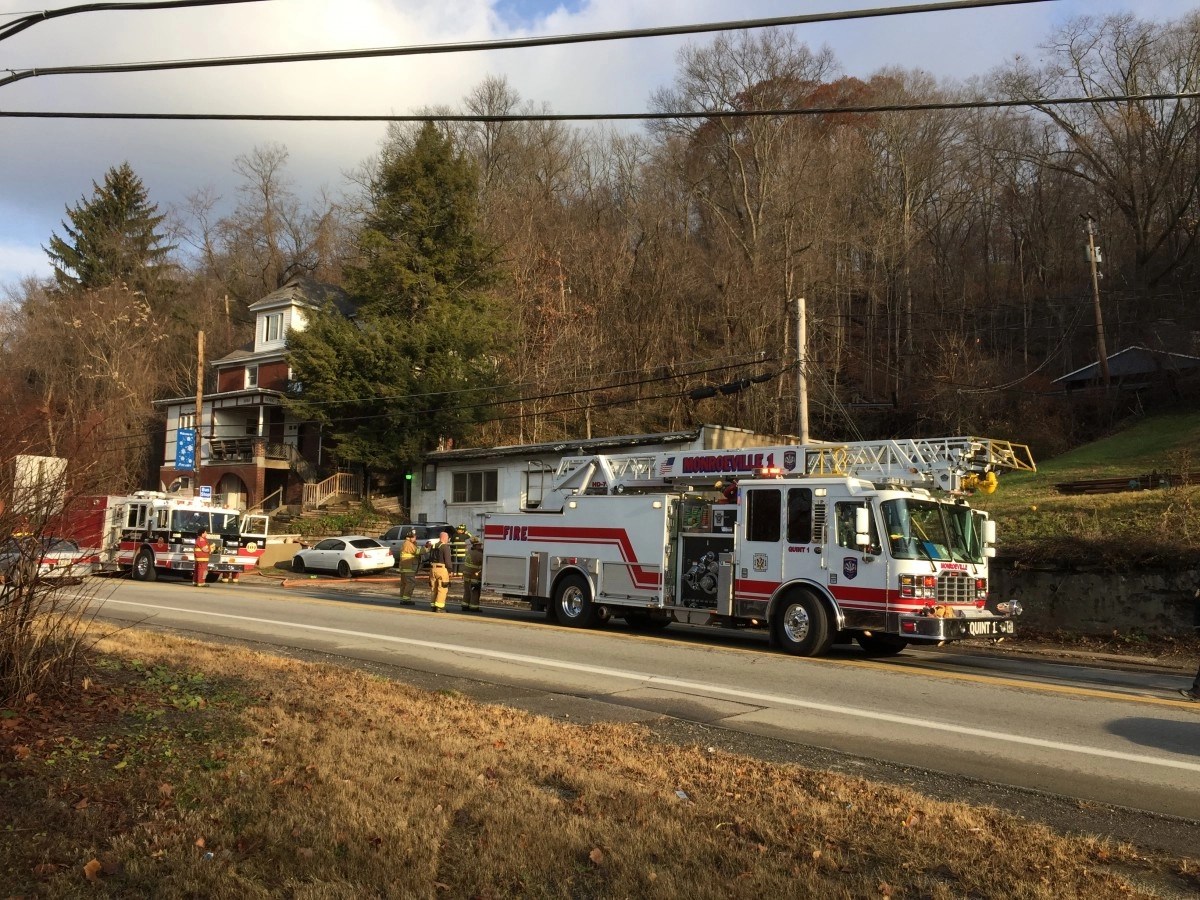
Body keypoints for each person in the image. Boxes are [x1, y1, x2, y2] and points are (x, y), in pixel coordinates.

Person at [428, 530, 453, 612]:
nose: (448, 539)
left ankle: (433, 606)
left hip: (433, 568)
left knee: (434, 588)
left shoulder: (434, 546)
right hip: (442, 569)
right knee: (442, 588)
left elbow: (430, 558)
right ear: (445, 538)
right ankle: (439, 607)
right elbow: (448, 560)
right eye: (448, 538)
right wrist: (450, 570)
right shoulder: (445, 547)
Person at [397, 529, 420, 606]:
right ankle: (406, 600)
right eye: (414, 537)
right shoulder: (408, 544)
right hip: (409, 567)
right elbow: (417, 551)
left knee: (404, 583)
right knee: (410, 583)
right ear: (410, 537)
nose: (415, 538)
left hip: (405, 567)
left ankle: (403, 599)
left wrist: (415, 543)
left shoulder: (407, 543)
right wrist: (428, 548)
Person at [460, 537, 483, 612]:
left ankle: (465, 605)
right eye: (479, 545)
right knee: (475, 591)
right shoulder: (479, 554)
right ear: (475, 545)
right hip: (474, 575)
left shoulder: (469, 551)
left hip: (466, 574)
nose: (480, 546)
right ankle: (474, 607)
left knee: (467, 590)